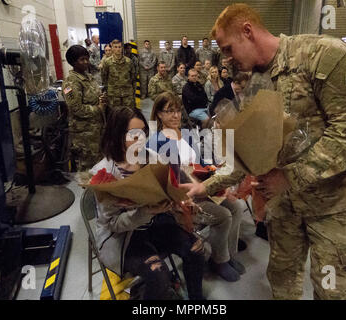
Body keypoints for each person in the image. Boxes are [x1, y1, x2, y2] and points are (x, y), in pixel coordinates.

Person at [181, 3, 346, 300]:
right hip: (286, 207)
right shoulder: (250, 81)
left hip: (335, 205)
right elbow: (249, 150)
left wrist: (289, 177)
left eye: (229, 48)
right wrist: (205, 186)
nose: (226, 58)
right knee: (282, 281)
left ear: (248, 31)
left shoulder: (322, 54)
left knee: (331, 290)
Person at [91, 106, 205, 300]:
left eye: (143, 132)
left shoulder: (151, 157)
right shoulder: (104, 173)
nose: (141, 139)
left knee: (196, 249)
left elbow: (167, 192)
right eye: (133, 134)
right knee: (158, 275)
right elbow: (112, 224)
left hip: (155, 222)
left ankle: (197, 300)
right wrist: (145, 212)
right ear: (117, 135)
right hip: (125, 238)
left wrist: (180, 203)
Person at [147, 92, 246, 282]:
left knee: (237, 207)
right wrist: (189, 198)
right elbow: (166, 184)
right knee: (223, 216)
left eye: (177, 110)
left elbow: (202, 165)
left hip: (200, 187)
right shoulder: (156, 143)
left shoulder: (185, 134)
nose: (176, 115)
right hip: (183, 198)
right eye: (169, 111)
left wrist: (217, 186)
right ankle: (219, 261)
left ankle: (229, 255)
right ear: (159, 114)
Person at [62, 45, 106, 172]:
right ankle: (89, 192)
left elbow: (93, 96)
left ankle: (97, 191)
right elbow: (76, 108)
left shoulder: (88, 77)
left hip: (96, 130)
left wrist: (102, 99)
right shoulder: (70, 82)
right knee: (88, 168)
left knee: (98, 165)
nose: (86, 62)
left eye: (87, 58)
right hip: (84, 135)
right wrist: (98, 108)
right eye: (82, 59)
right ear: (73, 62)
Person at [101, 39, 136, 112]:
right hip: (113, 95)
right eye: (115, 47)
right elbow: (104, 77)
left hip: (127, 94)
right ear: (112, 48)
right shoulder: (107, 62)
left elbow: (133, 77)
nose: (118, 49)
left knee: (128, 114)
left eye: (119, 47)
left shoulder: (128, 61)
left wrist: (132, 92)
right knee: (114, 115)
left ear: (122, 48)